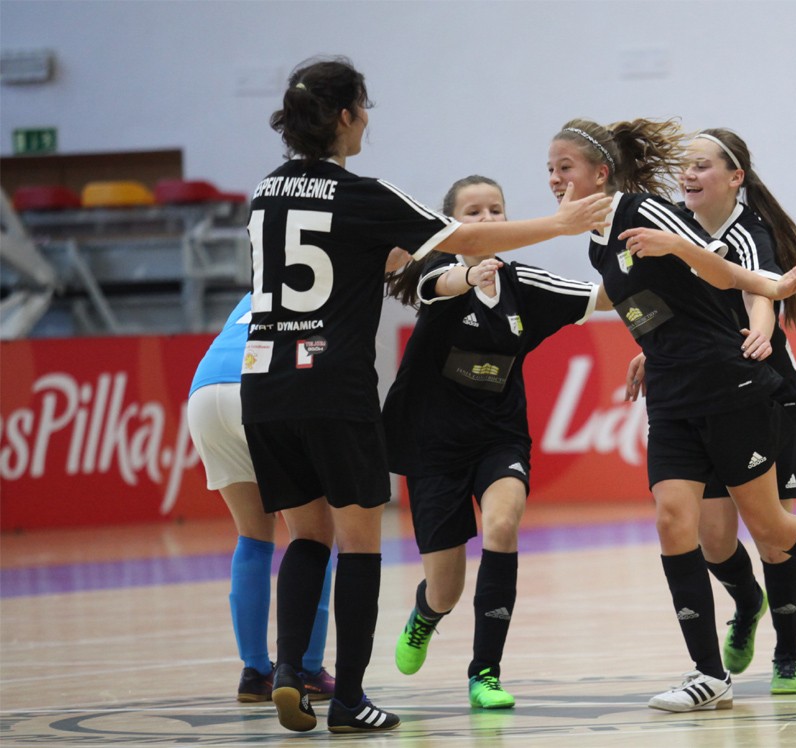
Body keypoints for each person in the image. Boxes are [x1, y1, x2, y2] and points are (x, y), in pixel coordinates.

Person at [241, 57, 612, 734]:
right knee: (358, 544)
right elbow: (456, 248)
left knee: (306, 538)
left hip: (264, 384)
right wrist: (558, 225)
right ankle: (350, 699)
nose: (367, 121)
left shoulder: (265, 193)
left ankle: (289, 670)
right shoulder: (363, 196)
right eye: (364, 109)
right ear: (346, 115)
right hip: (333, 385)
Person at [547, 118, 796, 713]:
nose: (554, 179)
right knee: (675, 521)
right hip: (672, 395)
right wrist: (651, 348)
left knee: (771, 529)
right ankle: (708, 674)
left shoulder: (649, 212)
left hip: (731, 386)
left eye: (564, 168)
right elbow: (660, 303)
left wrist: (771, 288)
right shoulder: (598, 243)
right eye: (549, 170)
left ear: (600, 173)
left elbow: (728, 277)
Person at [383, 175, 613, 710]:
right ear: (452, 224)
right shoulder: (437, 269)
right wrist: (468, 275)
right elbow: (440, 285)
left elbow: (603, 297)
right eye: (474, 212)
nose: (487, 220)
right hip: (433, 444)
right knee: (445, 589)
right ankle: (425, 616)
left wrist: (656, 259)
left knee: (503, 526)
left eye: (495, 210)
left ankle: (484, 672)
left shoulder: (523, 283)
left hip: (498, 437)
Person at [624, 128, 796, 695]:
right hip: (702, 392)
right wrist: (652, 349)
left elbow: (761, 290)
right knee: (713, 539)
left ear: (735, 178)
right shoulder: (673, 227)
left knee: (773, 533)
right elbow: (672, 305)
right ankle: (747, 601)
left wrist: (759, 331)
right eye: (684, 166)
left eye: (702, 165)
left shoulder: (747, 231)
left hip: (764, 388)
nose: (688, 174)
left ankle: (788, 652)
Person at [187, 293, 336, 704]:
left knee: (252, 537)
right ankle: (307, 668)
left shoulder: (258, 286)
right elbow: (316, 355)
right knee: (313, 537)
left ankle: (254, 672)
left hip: (204, 393)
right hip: (254, 389)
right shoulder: (323, 285)